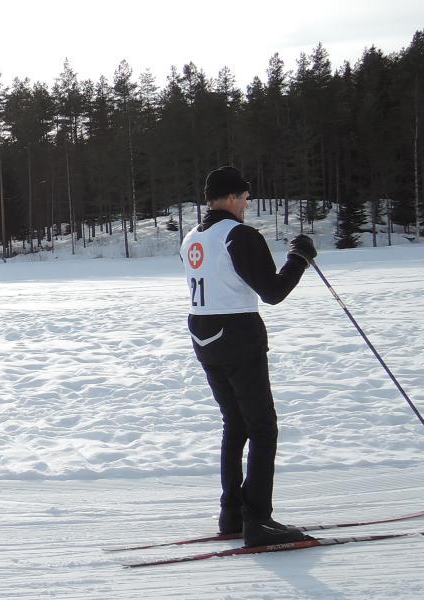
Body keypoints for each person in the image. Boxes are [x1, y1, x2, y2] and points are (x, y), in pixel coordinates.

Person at [180, 165, 317, 547]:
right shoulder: (238, 235)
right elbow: (272, 291)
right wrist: (299, 258)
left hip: (203, 335)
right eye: (244, 196)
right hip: (238, 334)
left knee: (235, 423)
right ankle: (258, 519)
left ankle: (232, 514)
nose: (246, 203)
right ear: (232, 197)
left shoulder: (192, 236)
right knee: (262, 427)